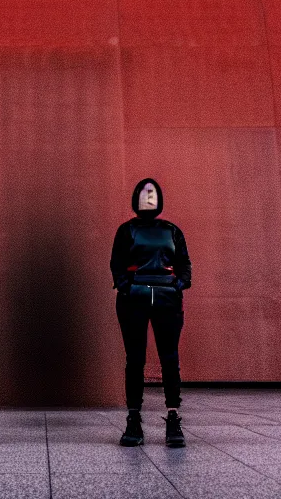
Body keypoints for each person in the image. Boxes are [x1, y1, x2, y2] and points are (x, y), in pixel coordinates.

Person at [110, 178, 191, 448]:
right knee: (135, 358)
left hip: (166, 296)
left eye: (152, 192)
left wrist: (178, 285)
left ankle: (173, 416)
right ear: (135, 198)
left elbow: (185, 264)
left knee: (170, 357)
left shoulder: (171, 230)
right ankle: (134, 418)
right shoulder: (126, 230)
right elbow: (117, 264)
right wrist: (126, 288)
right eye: (144, 192)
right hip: (135, 297)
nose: (148, 196)